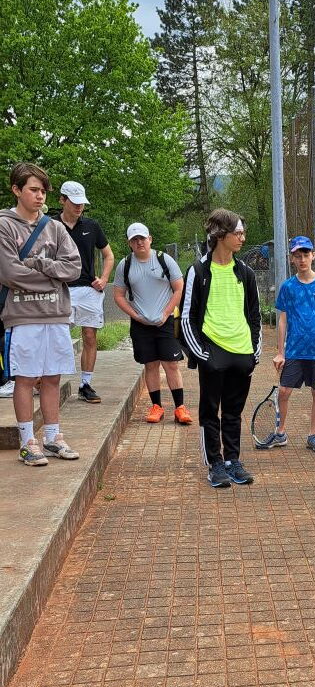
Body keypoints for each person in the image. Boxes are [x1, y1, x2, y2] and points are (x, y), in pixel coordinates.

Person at [0, 162, 81, 466]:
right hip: (23, 315)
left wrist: (42, 266)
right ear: (16, 190)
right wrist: (53, 277)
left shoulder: (55, 227)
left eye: (43, 191)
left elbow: (74, 268)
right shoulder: (5, 225)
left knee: (52, 377)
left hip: (55, 313)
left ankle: (52, 437)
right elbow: (10, 273)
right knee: (25, 378)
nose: (40, 196)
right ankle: (27, 442)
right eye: (33, 190)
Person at [181, 209, 260, 488]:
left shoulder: (246, 272)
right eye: (237, 233)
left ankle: (232, 461)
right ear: (220, 235)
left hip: (242, 353)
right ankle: (215, 463)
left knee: (233, 413)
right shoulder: (198, 271)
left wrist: (253, 352)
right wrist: (202, 354)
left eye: (243, 233)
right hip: (212, 352)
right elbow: (187, 317)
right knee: (209, 411)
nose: (242, 238)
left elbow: (255, 315)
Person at [256, 236, 315, 454]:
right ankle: (280, 433)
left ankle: (313, 435)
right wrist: (280, 352)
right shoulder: (288, 287)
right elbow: (282, 320)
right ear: (292, 259)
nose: (302, 259)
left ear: (313, 256)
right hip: (294, 350)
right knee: (284, 391)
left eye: (305, 255)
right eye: (297, 256)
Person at [112, 223, 192, 425]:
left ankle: (180, 408)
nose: (139, 242)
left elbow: (179, 288)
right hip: (141, 324)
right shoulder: (125, 265)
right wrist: (135, 316)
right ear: (129, 243)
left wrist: (166, 313)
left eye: (142, 238)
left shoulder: (164, 260)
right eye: (134, 239)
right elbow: (119, 295)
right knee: (150, 365)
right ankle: (156, 406)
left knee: (171, 364)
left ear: (150, 239)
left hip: (165, 322)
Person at [57, 180, 114, 403]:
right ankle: (47, 379)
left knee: (90, 335)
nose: (79, 207)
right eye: (74, 202)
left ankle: (86, 384)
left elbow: (108, 255)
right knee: (58, 335)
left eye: (81, 203)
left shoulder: (92, 225)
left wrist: (104, 278)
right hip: (61, 289)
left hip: (88, 289)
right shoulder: (51, 225)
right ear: (62, 200)